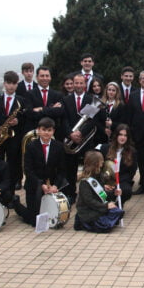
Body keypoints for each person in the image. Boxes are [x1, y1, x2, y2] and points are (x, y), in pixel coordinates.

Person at [14, 117, 67, 226]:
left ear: (53, 131)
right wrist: (41, 184)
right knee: (34, 221)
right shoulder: (31, 146)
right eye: (43, 130)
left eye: (49, 130)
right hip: (35, 185)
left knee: (52, 217)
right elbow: (28, 170)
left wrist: (55, 186)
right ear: (38, 130)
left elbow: (62, 170)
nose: (46, 133)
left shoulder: (59, 146)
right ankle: (17, 205)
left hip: (51, 186)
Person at [0, 70, 29, 193]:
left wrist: (18, 121)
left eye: (14, 83)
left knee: (13, 165)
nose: (11, 86)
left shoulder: (21, 100)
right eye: (9, 83)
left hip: (14, 138)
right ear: (4, 84)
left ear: (17, 85)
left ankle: (9, 193)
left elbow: (26, 119)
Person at [62, 73, 95, 203]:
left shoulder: (91, 99)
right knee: (70, 169)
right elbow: (63, 119)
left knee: (89, 168)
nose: (79, 85)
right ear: (73, 84)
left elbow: (92, 120)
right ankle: (71, 194)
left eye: (81, 83)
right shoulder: (66, 100)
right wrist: (70, 133)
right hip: (71, 139)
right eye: (76, 83)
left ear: (85, 84)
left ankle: (88, 195)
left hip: (85, 139)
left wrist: (81, 133)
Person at [74, 151, 124, 232]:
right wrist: (106, 206)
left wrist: (114, 193)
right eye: (100, 162)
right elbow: (89, 201)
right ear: (95, 164)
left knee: (118, 211)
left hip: (98, 208)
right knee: (106, 226)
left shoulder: (98, 176)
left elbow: (101, 194)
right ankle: (82, 223)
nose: (102, 163)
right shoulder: (84, 182)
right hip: (88, 211)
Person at [100, 123, 137, 206]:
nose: (122, 137)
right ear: (116, 135)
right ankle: (105, 205)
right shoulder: (105, 148)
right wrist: (105, 183)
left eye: (125, 135)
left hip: (121, 180)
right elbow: (100, 168)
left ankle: (118, 205)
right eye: (120, 134)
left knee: (127, 190)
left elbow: (131, 172)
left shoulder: (132, 151)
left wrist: (117, 183)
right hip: (106, 180)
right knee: (101, 190)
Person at [27, 66, 64, 136]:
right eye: (42, 76)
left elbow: (59, 112)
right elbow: (30, 114)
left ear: (50, 77)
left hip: (54, 133)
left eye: (47, 76)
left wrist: (41, 109)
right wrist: (51, 109)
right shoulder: (29, 94)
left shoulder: (58, 95)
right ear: (37, 77)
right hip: (35, 133)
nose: (45, 78)